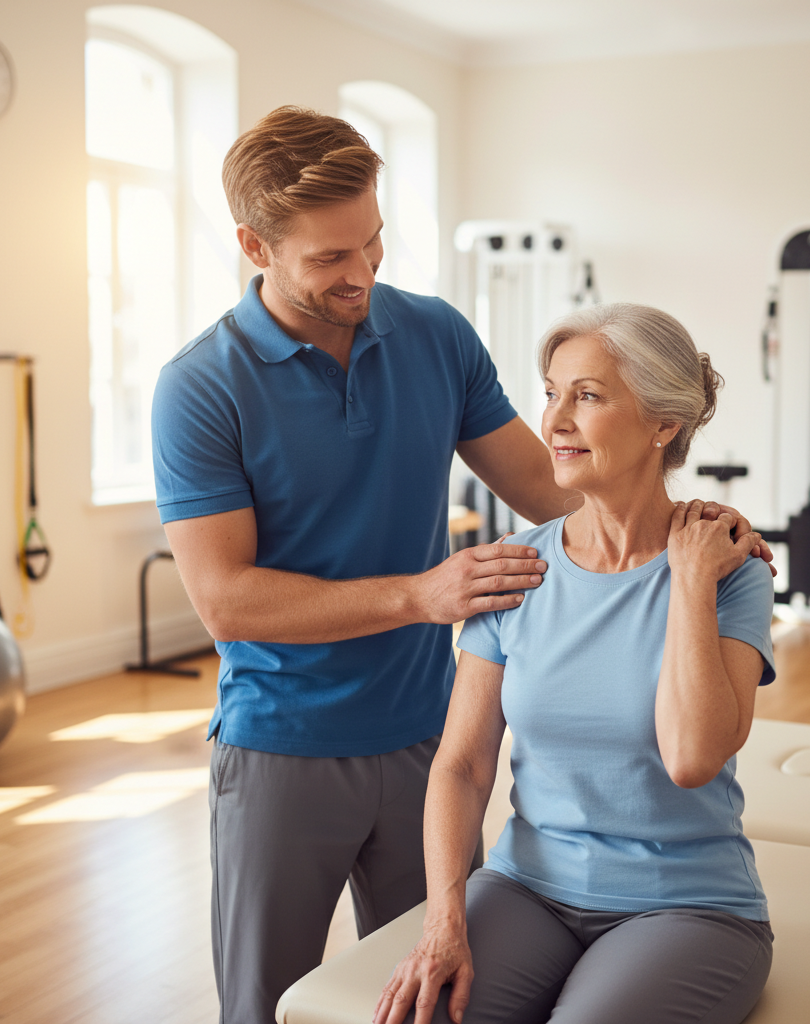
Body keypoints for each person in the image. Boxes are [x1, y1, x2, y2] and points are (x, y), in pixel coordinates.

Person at [151, 107, 773, 1024]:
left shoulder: (434, 335)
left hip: (422, 733)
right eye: (330, 258)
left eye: (373, 242)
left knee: (432, 1001)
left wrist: (694, 531)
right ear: (255, 245)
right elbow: (224, 602)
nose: (361, 272)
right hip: (284, 743)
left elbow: (556, 483)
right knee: (269, 1005)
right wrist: (422, 593)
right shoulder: (202, 385)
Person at [373, 303, 776, 1024]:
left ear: (663, 424)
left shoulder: (731, 573)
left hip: (688, 906)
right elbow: (461, 765)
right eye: (552, 392)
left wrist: (686, 580)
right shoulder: (514, 569)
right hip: (526, 887)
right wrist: (444, 920)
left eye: (586, 395)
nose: (554, 420)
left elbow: (690, 758)